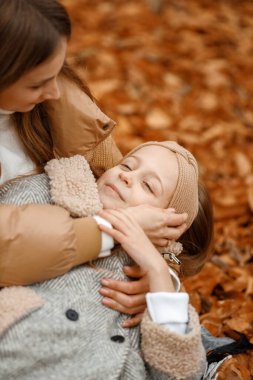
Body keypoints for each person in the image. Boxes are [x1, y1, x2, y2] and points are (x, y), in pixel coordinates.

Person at [0, 0, 187, 321]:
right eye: (37, 83)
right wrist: (114, 231)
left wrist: (162, 276)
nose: (55, 91)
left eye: (58, 71)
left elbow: (160, 216)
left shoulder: (60, 106)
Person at [0, 141, 213, 379]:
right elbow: (10, 241)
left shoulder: (146, 288)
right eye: (127, 165)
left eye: (148, 185)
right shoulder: (54, 191)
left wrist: (159, 272)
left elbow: (180, 374)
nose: (126, 177)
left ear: (167, 227)